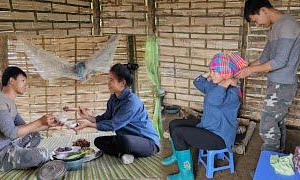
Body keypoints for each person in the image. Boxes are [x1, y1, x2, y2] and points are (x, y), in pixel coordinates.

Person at [162, 52, 247, 180]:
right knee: (173, 124)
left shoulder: (233, 94)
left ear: (226, 74)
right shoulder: (215, 84)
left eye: (214, 71)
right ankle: (177, 155)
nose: (211, 73)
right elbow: (198, 82)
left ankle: (186, 175)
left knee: (179, 133)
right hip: (207, 125)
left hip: (219, 137)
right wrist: (211, 74)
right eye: (210, 70)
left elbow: (214, 99)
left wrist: (226, 82)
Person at [237, 0, 300, 152]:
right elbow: (265, 58)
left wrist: (251, 71)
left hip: (283, 84)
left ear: (264, 10)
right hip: (276, 83)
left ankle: (269, 165)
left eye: (255, 20)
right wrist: (247, 66)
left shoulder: (288, 25)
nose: (257, 24)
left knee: (267, 126)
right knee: (276, 122)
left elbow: (279, 62)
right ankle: (277, 163)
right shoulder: (274, 28)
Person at [73, 63, 160, 164]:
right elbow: (106, 118)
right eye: (108, 79)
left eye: (111, 80)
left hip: (147, 142)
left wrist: (88, 125)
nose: (108, 83)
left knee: (125, 141)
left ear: (122, 83)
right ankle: (124, 154)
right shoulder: (113, 99)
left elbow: (114, 124)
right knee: (98, 141)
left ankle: (126, 151)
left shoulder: (131, 102)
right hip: (126, 138)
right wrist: (87, 116)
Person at [0, 66, 62, 171]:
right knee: (43, 154)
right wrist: (40, 121)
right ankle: (23, 159)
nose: (25, 85)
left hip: (8, 147)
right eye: (22, 80)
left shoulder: (10, 103)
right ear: (11, 81)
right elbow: (11, 133)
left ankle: (22, 158)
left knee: (35, 135)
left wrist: (47, 125)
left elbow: (26, 128)